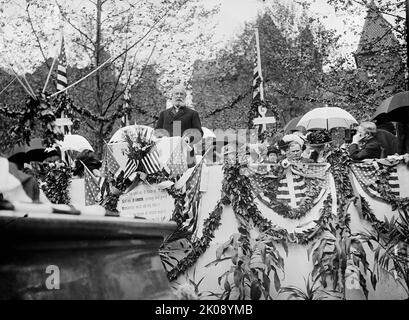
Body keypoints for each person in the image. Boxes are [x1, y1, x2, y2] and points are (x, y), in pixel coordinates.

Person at [155, 84, 203, 167]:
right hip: (166, 154)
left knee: (185, 179)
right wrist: (163, 137)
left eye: (181, 94)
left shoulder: (192, 114)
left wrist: (189, 138)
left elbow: (199, 133)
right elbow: (157, 132)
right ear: (172, 96)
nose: (179, 96)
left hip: (186, 154)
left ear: (185, 97)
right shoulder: (164, 114)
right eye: (176, 94)